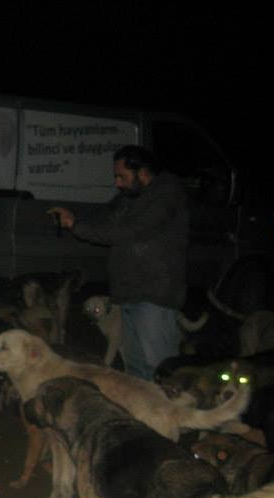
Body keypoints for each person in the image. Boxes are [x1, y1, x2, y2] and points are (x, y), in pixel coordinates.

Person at [48, 145, 188, 380]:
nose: (118, 183)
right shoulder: (130, 198)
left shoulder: (166, 195)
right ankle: (141, 416)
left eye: (122, 176)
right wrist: (74, 218)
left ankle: (172, 416)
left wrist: (77, 226)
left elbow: (131, 231)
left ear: (142, 172)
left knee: (161, 371)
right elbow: (104, 218)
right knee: (135, 370)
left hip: (154, 295)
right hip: (129, 294)